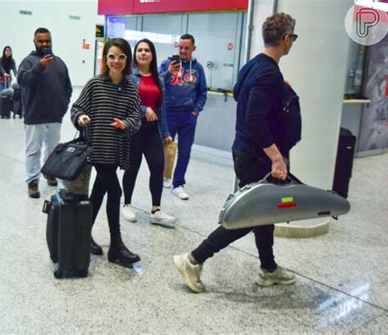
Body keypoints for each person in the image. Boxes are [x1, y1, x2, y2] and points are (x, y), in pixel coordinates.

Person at [173, 13, 298, 293]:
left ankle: (269, 268)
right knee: (250, 214)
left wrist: (279, 90)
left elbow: (246, 98)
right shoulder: (268, 72)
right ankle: (193, 259)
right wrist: (277, 157)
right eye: (293, 39)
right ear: (286, 39)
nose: (293, 44)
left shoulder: (252, 66)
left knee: (264, 211)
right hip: (257, 156)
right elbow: (255, 118)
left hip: (244, 151)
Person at [71, 38, 142, 265]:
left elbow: (136, 117)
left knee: (99, 193)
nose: (116, 61)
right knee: (116, 191)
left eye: (121, 57)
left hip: (116, 150)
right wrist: (80, 118)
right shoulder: (95, 84)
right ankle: (116, 246)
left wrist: (125, 125)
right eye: (112, 56)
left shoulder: (131, 87)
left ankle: (82, 235)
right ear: (105, 59)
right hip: (97, 149)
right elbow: (77, 107)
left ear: (127, 60)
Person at [122, 38, 176, 228]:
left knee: (157, 167)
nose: (143, 53)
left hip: (153, 131)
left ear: (152, 54)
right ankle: (127, 203)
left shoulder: (158, 79)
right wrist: (144, 109)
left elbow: (162, 109)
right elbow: (126, 104)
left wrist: (166, 132)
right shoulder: (129, 77)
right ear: (135, 55)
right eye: (139, 50)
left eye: (147, 50)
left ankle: (156, 210)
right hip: (135, 129)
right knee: (132, 168)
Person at [18, 28, 72, 198]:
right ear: (34, 42)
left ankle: (49, 173)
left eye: (47, 41)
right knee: (34, 150)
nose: (44, 44)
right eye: (40, 41)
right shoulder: (28, 61)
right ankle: (33, 181)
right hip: (35, 117)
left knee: (53, 149)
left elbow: (67, 87)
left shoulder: (60, 62)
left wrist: (63, 105)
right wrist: (40, 67)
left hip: (55, 116)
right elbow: (22, 80)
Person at [159, 34, 207, 200]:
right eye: (181, 47)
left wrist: (196, 110)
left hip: (188, 116)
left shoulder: (198, 68)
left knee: (185, 151)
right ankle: (163, 176)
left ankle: (178, 183)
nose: (183, 51)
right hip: (169, 113)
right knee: (164, 149)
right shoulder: (167, 64)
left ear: (193, 48)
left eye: (187, 48)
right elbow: (156, 84)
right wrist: (167, 72)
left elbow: (202, 92)